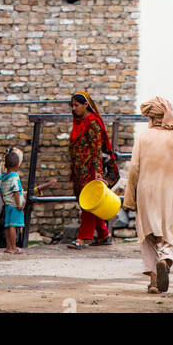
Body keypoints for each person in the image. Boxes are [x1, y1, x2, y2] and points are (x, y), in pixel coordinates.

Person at [123, 95, 173, 293]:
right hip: (170, 193)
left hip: (145, 193)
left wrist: (130, 197)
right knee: (169, 232)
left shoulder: (143, 137)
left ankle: (154, 281)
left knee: (147, 236)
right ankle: (165, 259)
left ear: (151, 118)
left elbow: (134, 168)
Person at [67, 89, 119, 249]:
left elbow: (96, 148)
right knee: (89, 202)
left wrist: (97, 172)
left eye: (77, 105)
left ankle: (84, 237)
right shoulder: (78, 123)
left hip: (91, 169)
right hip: (79, 170)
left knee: (88, 203)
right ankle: (103, 234)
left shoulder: (93, 123)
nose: (74, 109)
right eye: (72, 105)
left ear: (85, 105)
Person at [0, 148, 26, 254]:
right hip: (15, 206)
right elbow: (16, 191)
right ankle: (14, 247)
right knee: (13, 226)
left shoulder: (3, 178)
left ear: (5, 166)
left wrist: (5, 202)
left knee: (8, 226)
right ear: (17, 166)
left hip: (7, 205)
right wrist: (19, 204)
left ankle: (8, 246)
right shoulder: (15, 177)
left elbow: (0, 192)